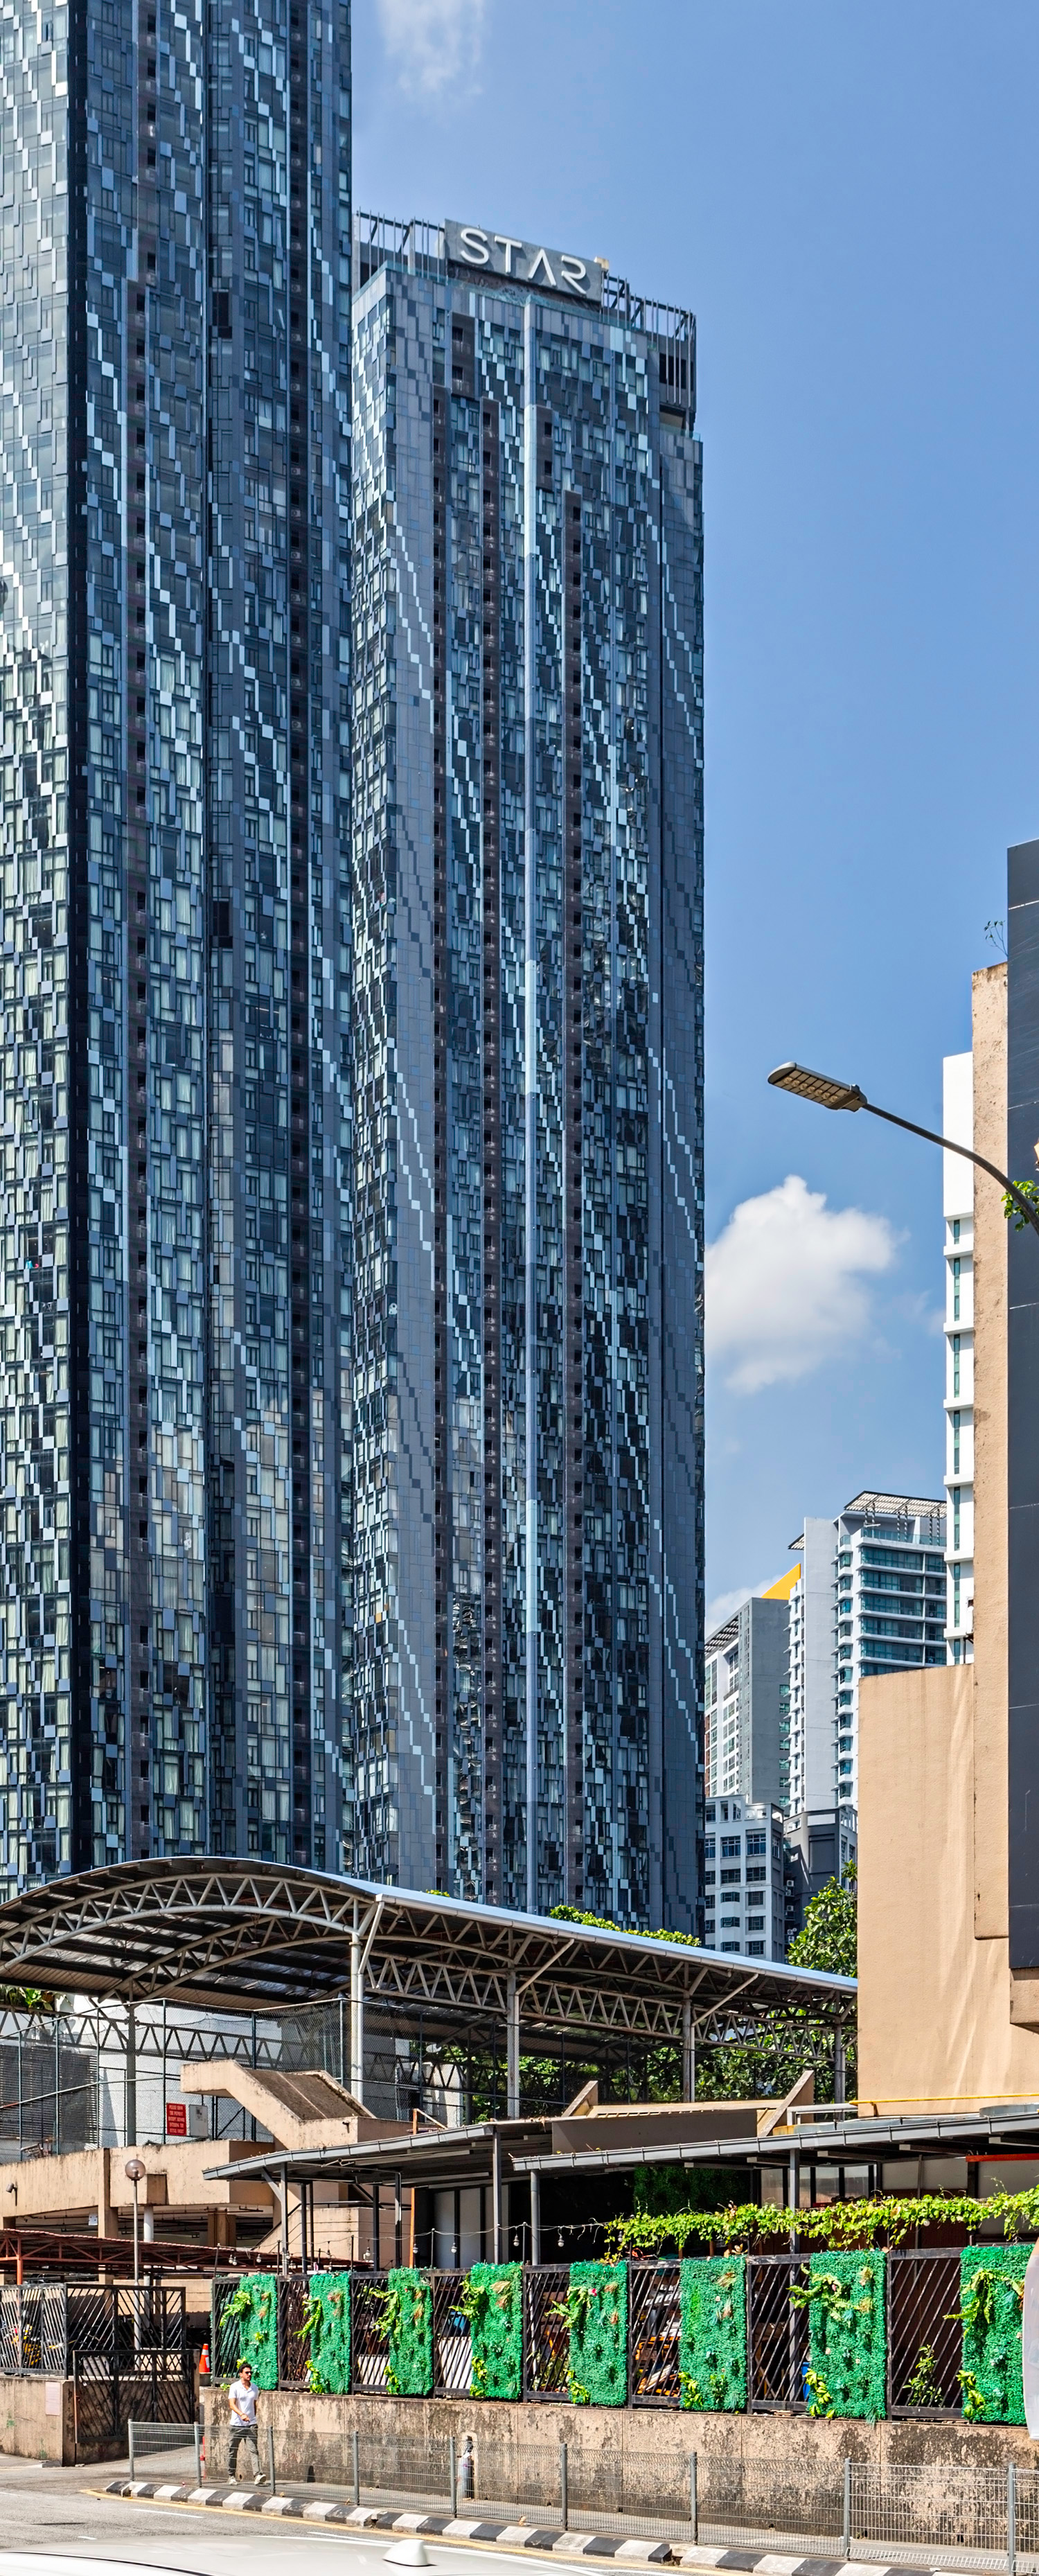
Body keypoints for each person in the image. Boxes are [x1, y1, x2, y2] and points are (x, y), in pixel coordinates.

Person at [227, 2360, 265, 2484]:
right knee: (233, 2450)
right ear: (241, 2374)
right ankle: (231, 2476)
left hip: (251, 2424)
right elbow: (232, 2405)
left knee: (254, 2450)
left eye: (250, 2373)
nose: (249, 2375)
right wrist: (242, 2414)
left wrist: (252, 2417)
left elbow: (254, 2404)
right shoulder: (235, 2387)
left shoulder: (254, 2388)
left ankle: (258, 2475)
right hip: (237, 2425)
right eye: (247, 2372)